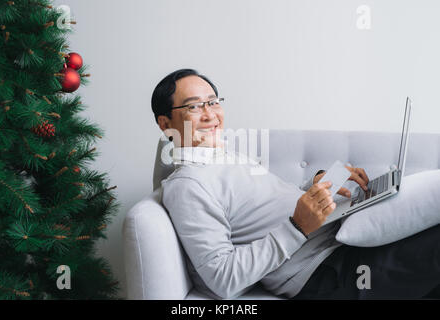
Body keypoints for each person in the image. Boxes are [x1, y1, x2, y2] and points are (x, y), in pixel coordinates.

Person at [152, 68, 440, 299]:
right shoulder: (188, 185)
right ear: (165, 123)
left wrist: (316, 186)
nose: (210, 115)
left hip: (340, 244)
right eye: (194, 107)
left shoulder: (221, 155)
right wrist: (298, 227)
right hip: (326, 273)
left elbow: (259, 213)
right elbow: (223, 280)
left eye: (213, 102)